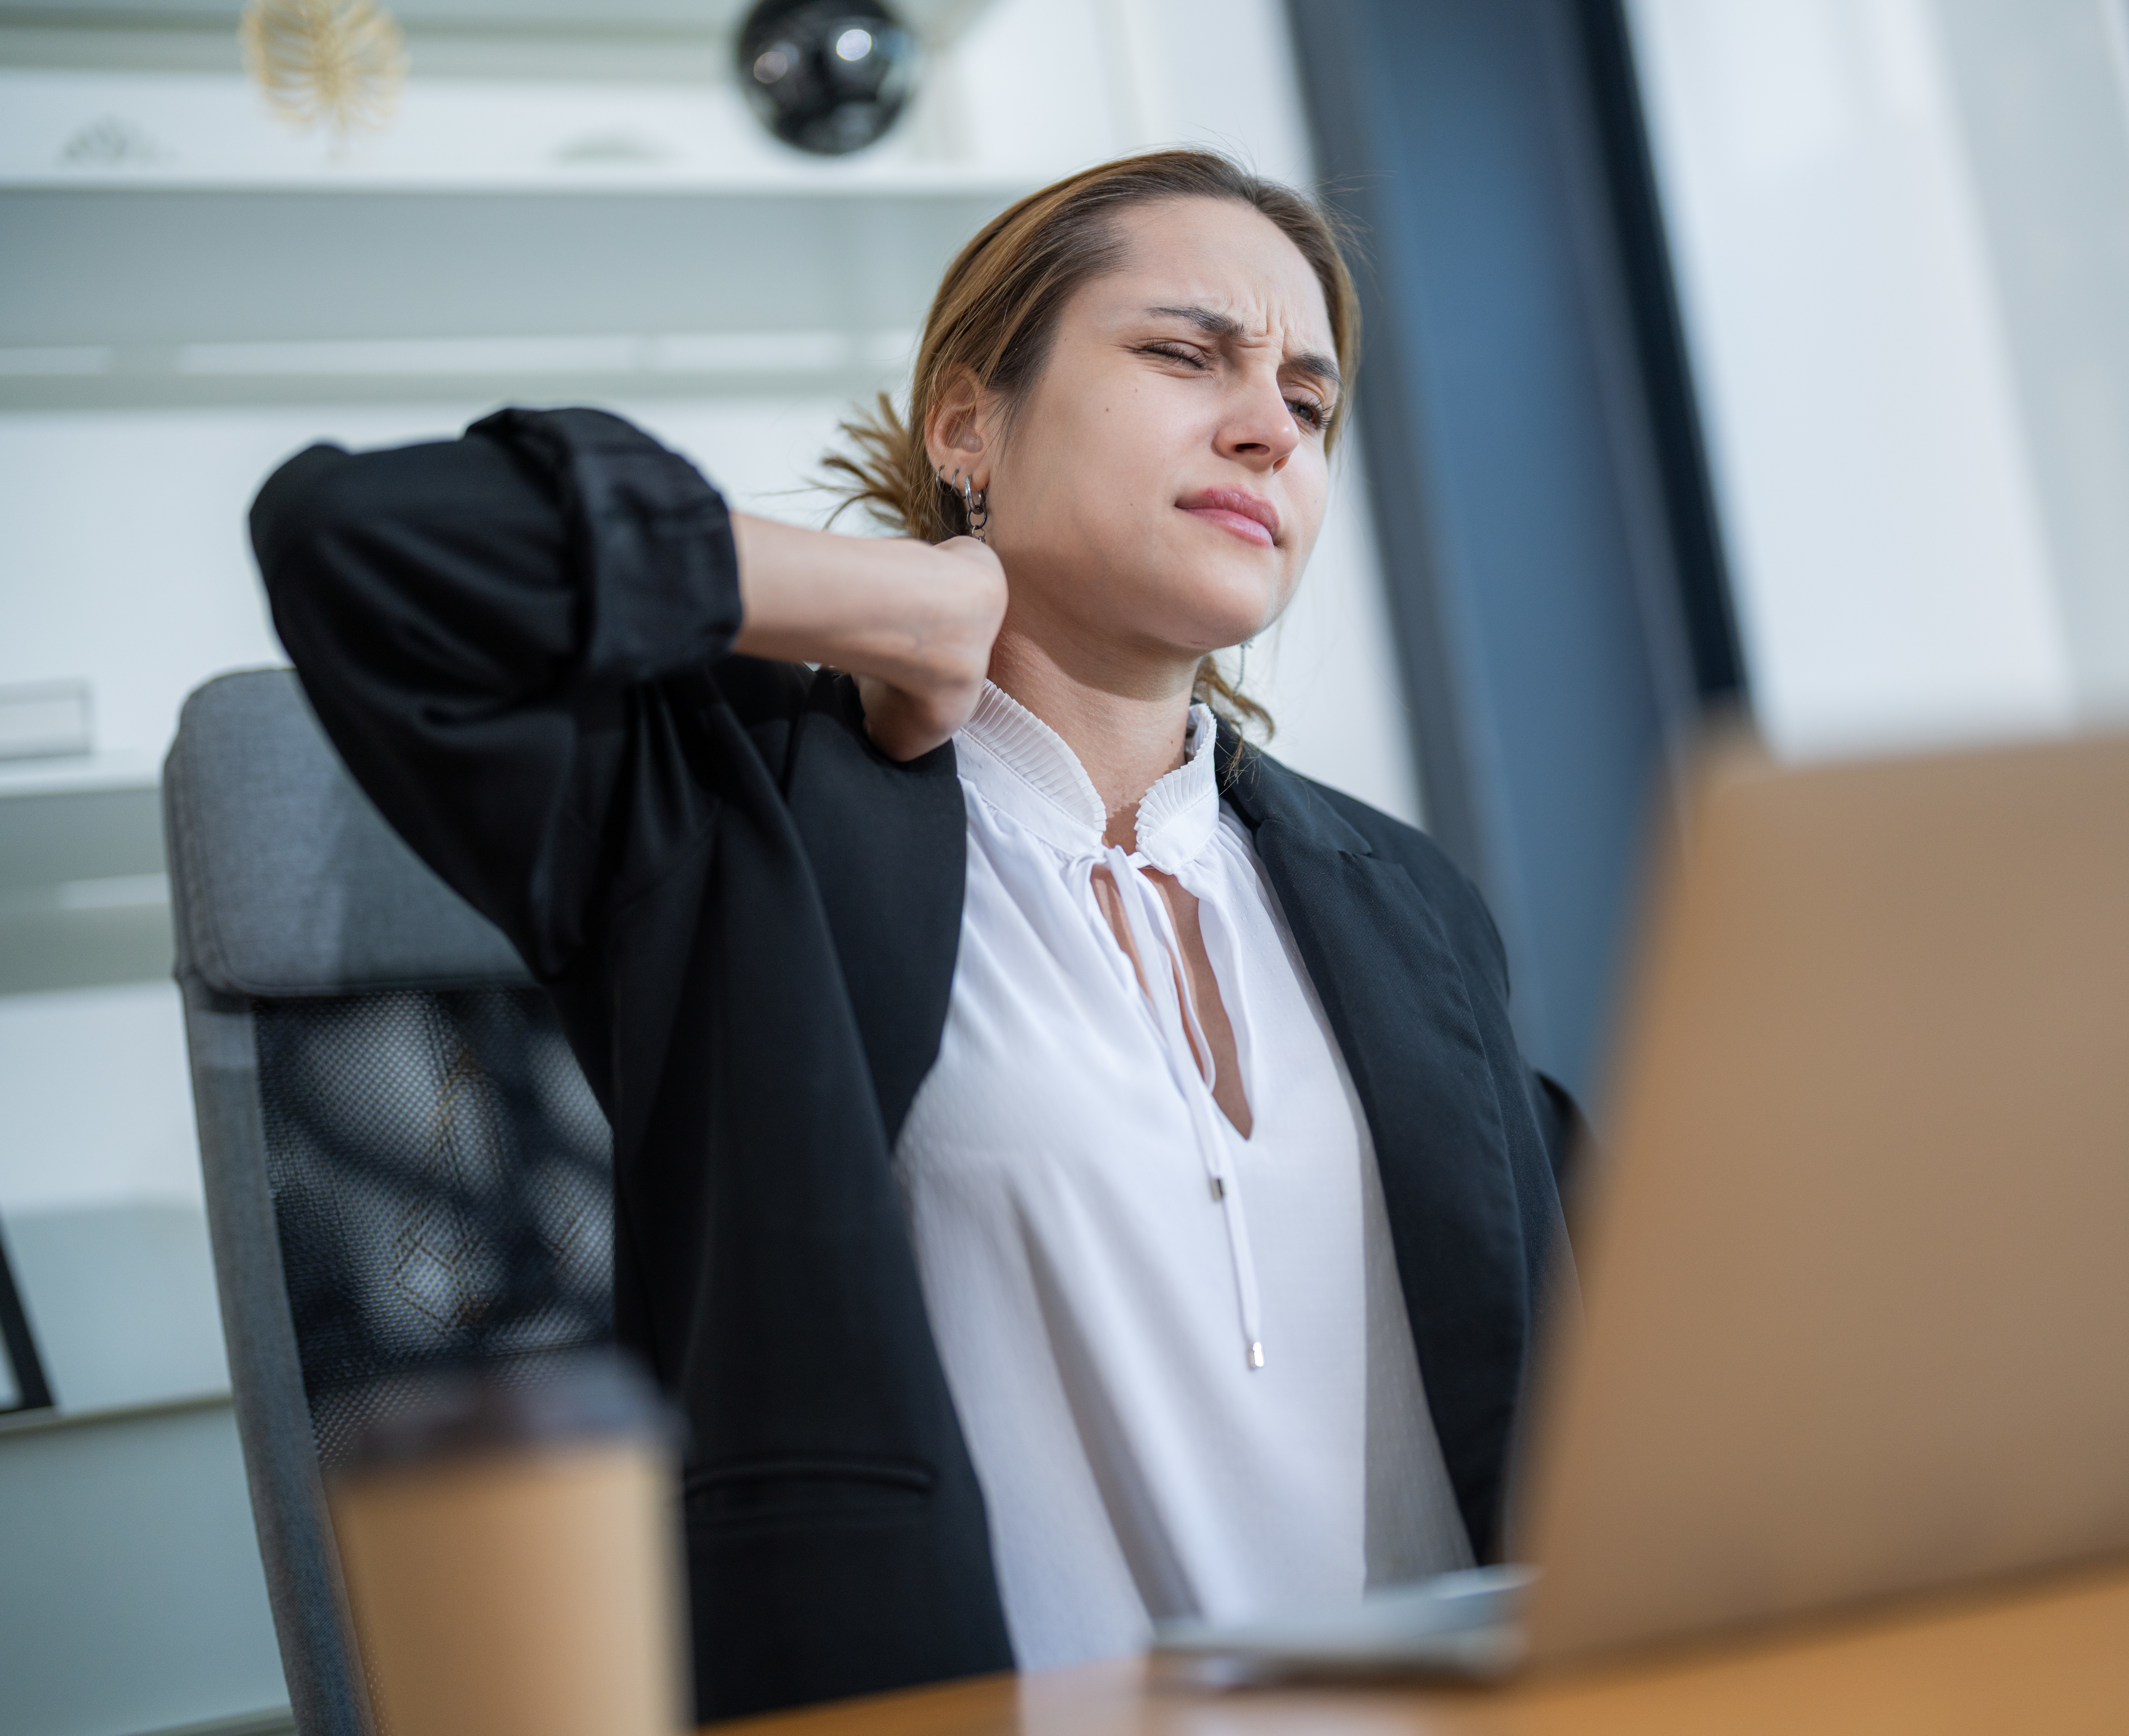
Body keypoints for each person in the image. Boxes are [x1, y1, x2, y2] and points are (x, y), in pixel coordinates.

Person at [251, 149, 1576, 1723]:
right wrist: (888, 603)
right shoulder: (741, 821)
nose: (1267, 427)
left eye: (1309, 398)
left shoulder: (1401, 900)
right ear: (965, 427)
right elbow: (359, 538)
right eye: (1183, 353)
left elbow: (1619, 1369)